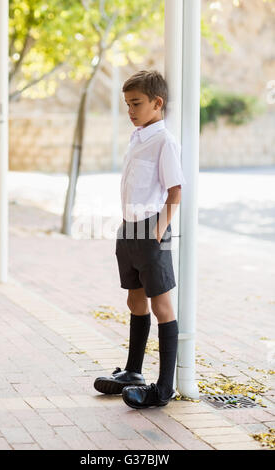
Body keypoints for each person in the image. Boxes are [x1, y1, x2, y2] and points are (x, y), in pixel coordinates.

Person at [94, 70, 187, 408]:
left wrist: (159, 229)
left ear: (156, 103)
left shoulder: (164, 141)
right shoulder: (138, 137)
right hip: (129, 228)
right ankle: (133, 372)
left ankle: (163, 388)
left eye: (136, 104)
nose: (130, 111)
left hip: (150, 229)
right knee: (135, 301)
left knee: (162, 306)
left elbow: (176, 189)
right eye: (127, 104)